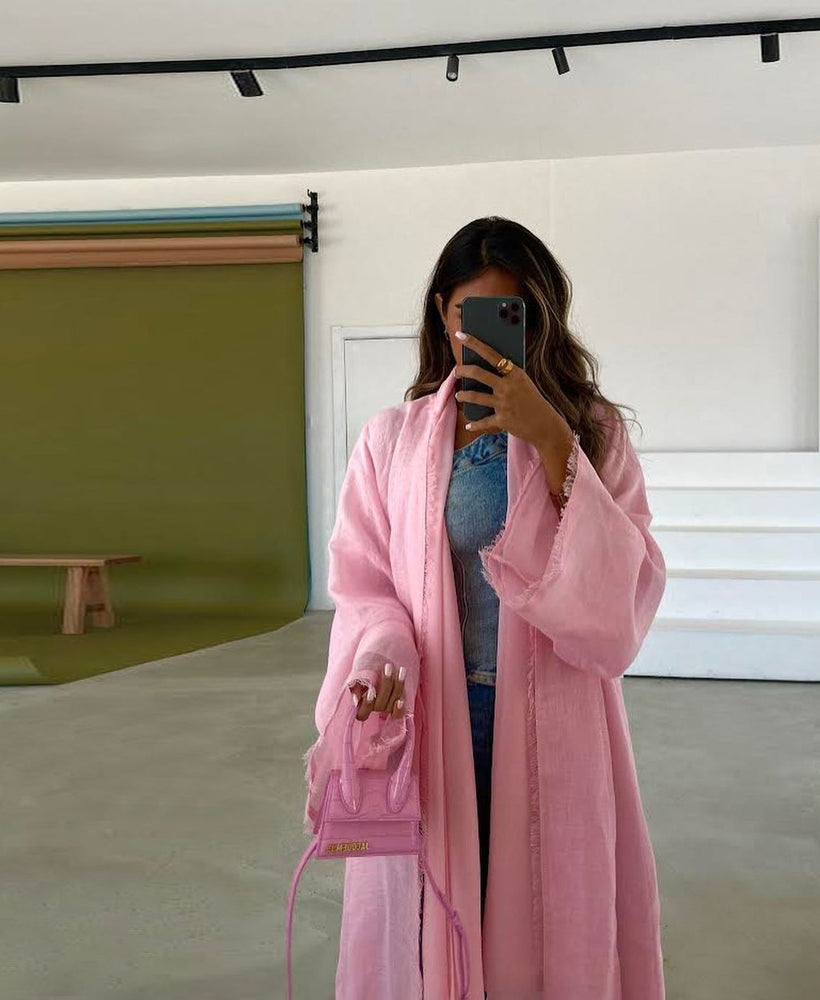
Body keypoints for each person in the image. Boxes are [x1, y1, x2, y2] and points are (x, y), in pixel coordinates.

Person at [313, 215, 667, 999]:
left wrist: (553, 444)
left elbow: (628, 590)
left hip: (560, 715)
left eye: (515, 313)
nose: (492, 333)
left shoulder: (593, 432)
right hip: (436, 711)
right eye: (473, 312)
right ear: (443, 313)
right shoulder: (392, 440)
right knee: (431, 911)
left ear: (542, 319)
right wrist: (379, 655)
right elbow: (364, 581)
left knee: (555, 912)